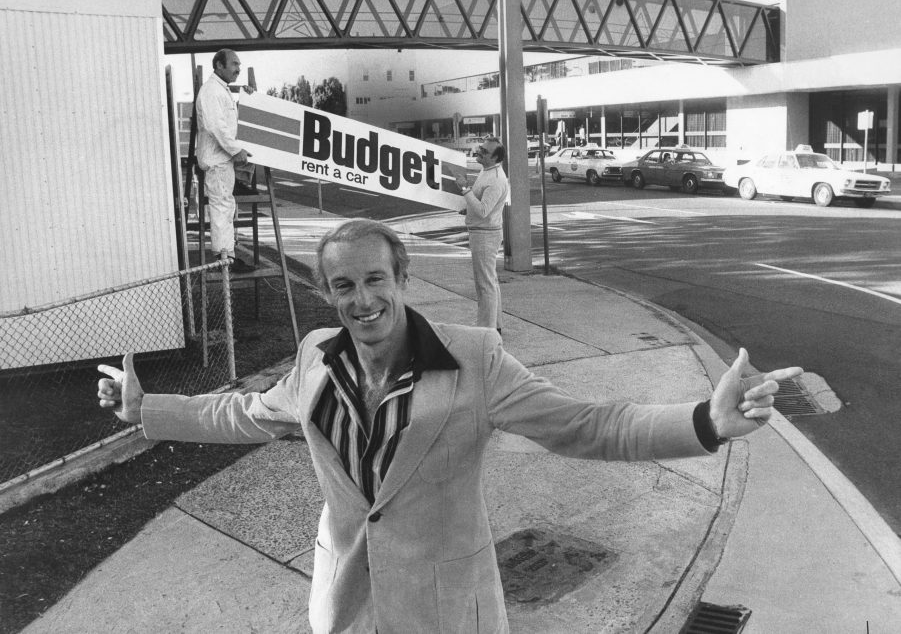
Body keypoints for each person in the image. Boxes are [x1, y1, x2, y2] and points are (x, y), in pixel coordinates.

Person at [97, 218, 802, 634]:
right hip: (347, 596)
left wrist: (702, 425)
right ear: (326, 294)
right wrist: (148, 409)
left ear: (401, 278)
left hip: (445, 607)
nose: (362, 298)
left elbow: (585, 425)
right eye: (343, 285)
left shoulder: (475, 358)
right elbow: (247, 413)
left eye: (375, 279)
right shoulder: (315, 357)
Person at [195, 48, 254, 274]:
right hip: (217, 161)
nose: (238, 69)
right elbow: (215, 126)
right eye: (234, 64)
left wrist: (249, 96)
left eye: (239, 65)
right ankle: (224, 259)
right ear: (219, 65)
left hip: (222, 161)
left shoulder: (222, 90)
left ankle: (227, 255)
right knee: (221, 206)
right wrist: (235, 149)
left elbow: (228, 122)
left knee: (226, 206)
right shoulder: (211, 91)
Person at [455, 137, 510, 333]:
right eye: (481, 148)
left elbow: (483, 210)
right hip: (483, 232)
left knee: (485, 284)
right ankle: (495, 326)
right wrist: (468, 208)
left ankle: (486, 331)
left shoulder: (495, 179)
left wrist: (464, 188)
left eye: (484, 152)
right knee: (490, 282)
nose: (479, 152)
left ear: (495, 158)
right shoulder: (487, 172)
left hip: (485, 235)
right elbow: (480, 204)